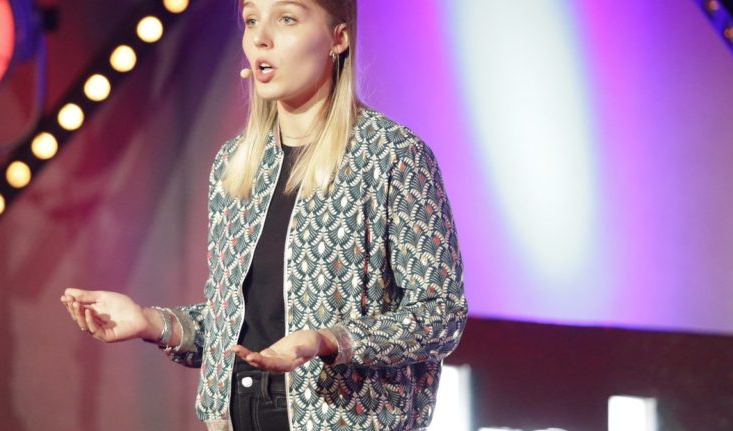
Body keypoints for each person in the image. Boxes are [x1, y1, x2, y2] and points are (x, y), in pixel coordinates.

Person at [60, 0, 466, 429]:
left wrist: (328, 341)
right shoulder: (236, 165)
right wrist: (151, 322)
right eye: (251, 20)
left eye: (286, 19)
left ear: (338, 39)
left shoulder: (391, 156)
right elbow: (232, 327)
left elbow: (440, 315)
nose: (260, 38)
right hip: (239, 413)